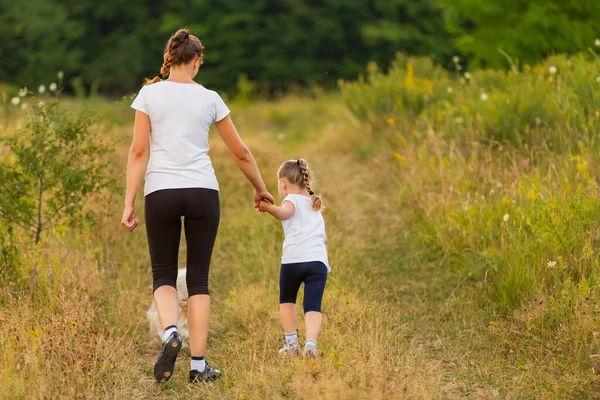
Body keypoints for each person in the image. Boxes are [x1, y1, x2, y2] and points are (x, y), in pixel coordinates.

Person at [120, 28, 274, 384]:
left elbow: (138, 151)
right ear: (196, 62)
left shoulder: (149, 95)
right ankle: (199, 367)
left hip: (161, 192)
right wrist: (261, 189)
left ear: (170, 59)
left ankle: (171, 331)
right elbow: (241, 152)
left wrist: (128, 201)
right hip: (203, 191)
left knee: (163, 274)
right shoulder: (210, 98)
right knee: (199, 280)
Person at [257, 159, 330, 359]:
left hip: (293, 260)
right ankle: (311, 344)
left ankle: (291, 344)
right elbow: (324, 239)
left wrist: (269, 208)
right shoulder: (314, 205)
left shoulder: (291, 200)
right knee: (313, 305)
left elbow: (284, 214)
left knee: (287, 300)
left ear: (283, 183)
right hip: (318, 263)